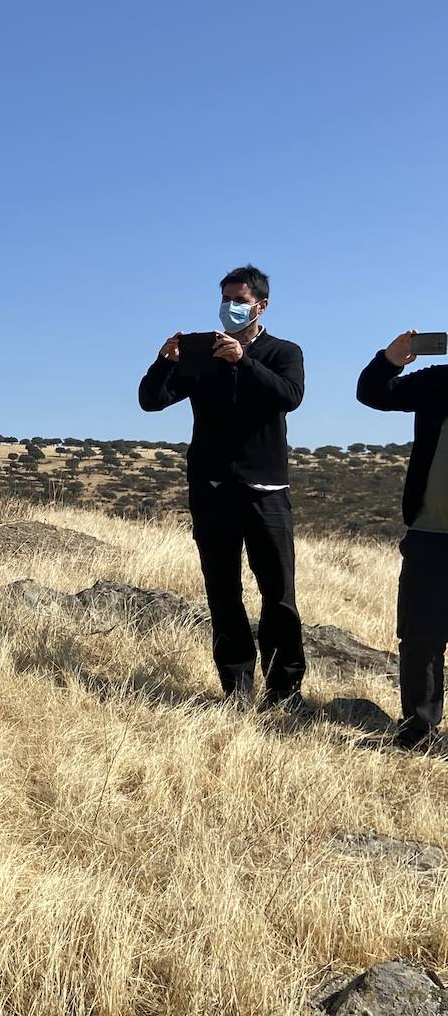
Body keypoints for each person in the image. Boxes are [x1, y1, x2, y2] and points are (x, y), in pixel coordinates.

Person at [138, 265, 308, 710]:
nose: (230, 308)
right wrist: (165, 362)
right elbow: (151, 401)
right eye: (226, 299)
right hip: (213, 490)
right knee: (223, 593)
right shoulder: (203, 355)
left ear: (261, 305)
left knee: (279, 595)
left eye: (240, 300)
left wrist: (243, 362)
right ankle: (236, 690)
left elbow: (289, 396)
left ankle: (284, 692)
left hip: (266, 490)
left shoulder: (283, 352)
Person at [357, 331, 448, 750]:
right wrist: (390, 360)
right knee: (420, 636)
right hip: (430, 533)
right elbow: (374, 394)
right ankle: (419, 731)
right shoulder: (437, 381)